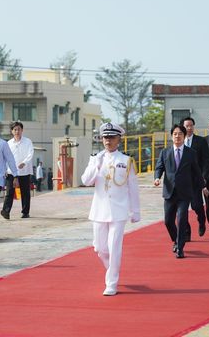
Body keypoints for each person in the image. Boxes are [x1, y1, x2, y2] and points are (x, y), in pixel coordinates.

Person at [81, 122, 140, 296]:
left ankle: (111, 283)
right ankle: (111, 270)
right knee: (100, 248)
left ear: (118, 140)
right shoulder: (96, 158)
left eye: (112, 137)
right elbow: (86, 181)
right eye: (105, 137)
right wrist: (95, 165)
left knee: (114, 247)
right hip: (99, 210)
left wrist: (135, 211)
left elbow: (133, 188)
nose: (108, 141)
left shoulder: (126, 161)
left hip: (119, 210)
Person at [154, 124, 204, 258]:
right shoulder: (165, 152)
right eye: (175, 134)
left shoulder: (190, 153)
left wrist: (203, 186)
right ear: (172, 136)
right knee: (168, 221)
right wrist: (157, 178)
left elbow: (197, 172)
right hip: (169, 192)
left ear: (184, 136)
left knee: (182, 219)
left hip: (185, 192)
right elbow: (159, 167)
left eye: (180, 134)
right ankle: (175, 240)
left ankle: (180, 247)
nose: (177, 136)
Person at [182, 117, 208, 240]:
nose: (189, 128)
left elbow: (206, 161)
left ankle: (202, 220)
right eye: (187, 126)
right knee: (182, 209)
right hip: (182, 181)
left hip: (196, 180)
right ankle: (186, 232)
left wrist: (203, 177)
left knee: (196, 205)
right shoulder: (179, 141)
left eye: (191, 125)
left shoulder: (201, 141)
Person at [1, 121, 34, 220]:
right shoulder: (8, 143)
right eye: (15, 129)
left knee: (25, 193)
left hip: (24, 171)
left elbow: (30, 153)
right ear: (12, 131)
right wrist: (5, 169)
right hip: (11, 172)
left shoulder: (28, 141)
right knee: (9, 192)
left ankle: (25, 212)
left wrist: (24, 162)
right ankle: (6, 211)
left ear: (22, 130)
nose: (17, 131)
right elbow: (5, 157)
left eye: (19, 129)